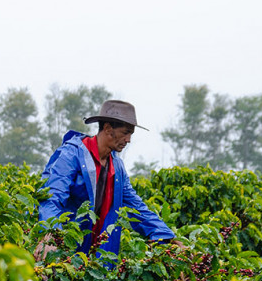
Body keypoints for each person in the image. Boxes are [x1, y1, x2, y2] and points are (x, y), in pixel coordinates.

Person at [35, 100, 180, 260]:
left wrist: (166, 236)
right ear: (108, 129)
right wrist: (51, 233)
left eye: (131, 134)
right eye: (125, 133)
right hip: (63, 248)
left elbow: (135, 206)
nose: (128, 139)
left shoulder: (117, 166)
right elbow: (52, 197)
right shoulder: (71, 155)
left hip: (98, 253)